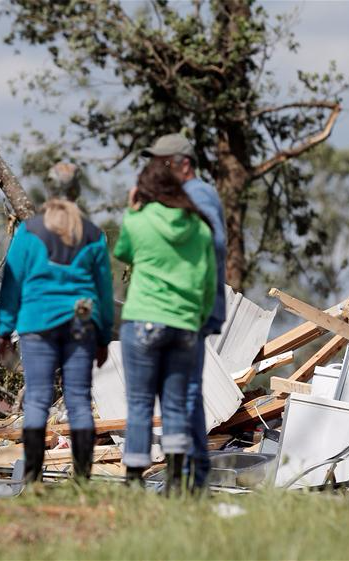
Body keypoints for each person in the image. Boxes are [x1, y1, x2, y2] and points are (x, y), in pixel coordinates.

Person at [0, 165, 113, 484]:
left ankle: (32, 479)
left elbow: (12, 283)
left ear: (47, 192)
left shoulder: (29, 231)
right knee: (78, 398)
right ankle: (83, 480)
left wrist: (4, 329)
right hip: (81, 324)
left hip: (37, 323)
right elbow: (103, 291)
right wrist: (102, 336)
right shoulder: (92, 234)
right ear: (76, 192)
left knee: (36, 398)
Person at [114, 158, 216, 494]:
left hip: (143, 320)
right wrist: (197, 319)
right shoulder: (200, 227)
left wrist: (132, 210)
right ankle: (174, 481)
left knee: (141, 402)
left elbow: (124, 252)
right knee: (174, 405)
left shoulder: (139, 221)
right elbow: (208, 282)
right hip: (185, 324)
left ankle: (133, 483)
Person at [141, 133, 227, 493]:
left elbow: (214, 243)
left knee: (184, 391)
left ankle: (191, 480)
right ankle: (193, 476)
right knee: (181, 391)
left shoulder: (198, 194)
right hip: (188, 307)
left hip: (190, 308)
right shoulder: (185, 197)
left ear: (183, 164)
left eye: (163, 162)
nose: (156, 168)